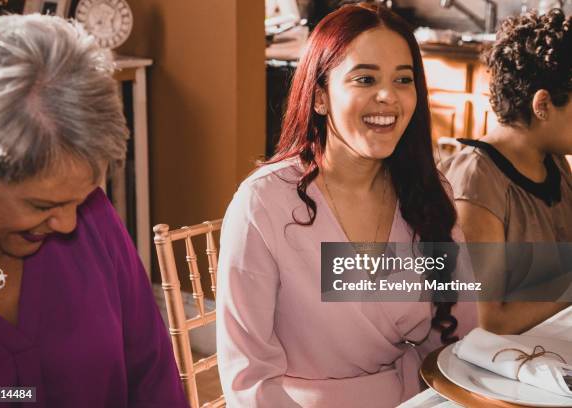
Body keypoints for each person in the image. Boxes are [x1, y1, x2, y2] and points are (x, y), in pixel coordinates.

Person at [216, 4, 475, 407]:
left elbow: (458, 338)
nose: (388, 96)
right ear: (320, 97)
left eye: (403, 79)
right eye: (365, 78)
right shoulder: (262, 205)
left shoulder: (427, 191)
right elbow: (249, 380)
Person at [0, 14, 188, 407]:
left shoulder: (93, 219)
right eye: (41, 205)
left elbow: (152, 373)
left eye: (79, 199)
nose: (67, 224)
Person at [441, 9, 572, 335]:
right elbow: (490, 320)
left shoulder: (554, 161)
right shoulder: (477, 182)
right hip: (495, 367)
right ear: (542, 105)